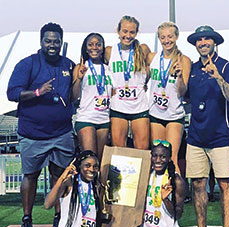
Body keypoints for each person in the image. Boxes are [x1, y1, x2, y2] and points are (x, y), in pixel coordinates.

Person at [7, 22, 75, 227]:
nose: (52, 45)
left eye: (56, 41)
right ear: (41, 42)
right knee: (31, 175)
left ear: (61, 42)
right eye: (48, 41)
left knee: (60, 175)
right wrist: (38, 92)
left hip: (62, 131)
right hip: (33, 132)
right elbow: (12, 93)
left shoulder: (69, 65)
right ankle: (27, 218)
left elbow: (75, 93)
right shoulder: (27, 64)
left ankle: (59, 216)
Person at [182, 26, 229, 227]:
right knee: (197, 184)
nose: (203, 42)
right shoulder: (193, 68)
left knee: (225, 183)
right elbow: (184, 97)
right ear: (196, 44)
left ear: (214, 42)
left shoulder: (226, 66)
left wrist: (218, 77)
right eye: (199, 39)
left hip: (221, 137)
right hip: (196, 136)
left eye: (207, 38)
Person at [147, 22, 191, 173]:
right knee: (157, 158)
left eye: (170, 36)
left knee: (171, 158)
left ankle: (176, 196)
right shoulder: (152, 57)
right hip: (155, 113)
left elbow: (183, 91)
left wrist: (179, 77)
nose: (167, 40)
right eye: (163, 37)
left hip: (174, 114)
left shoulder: (183, 60)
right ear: (159, 39)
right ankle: (156, 194)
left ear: (176, 37)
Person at [105, 15, 151, 149]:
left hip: (139, 105)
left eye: (132, 32)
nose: (128, 35)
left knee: (142, 150)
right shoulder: (109, 51)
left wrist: (144, 83)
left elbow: (151, 68)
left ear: (136, 33)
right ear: (118, 31)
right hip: (118, 105)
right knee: (119, 150)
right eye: (125, 31)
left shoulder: (142, 49)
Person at [72, 33, 112, 161]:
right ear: (86, 48)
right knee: (89, 160)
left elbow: (114, 93)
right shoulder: (81, 67)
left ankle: (99, 182)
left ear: (102, 48)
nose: (94, 47)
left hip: (104, 119)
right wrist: (79, 78)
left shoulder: (108, 69)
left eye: (98, 44)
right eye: (90, 44)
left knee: (100, 162)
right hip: (86, 118)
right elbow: (73, 96)